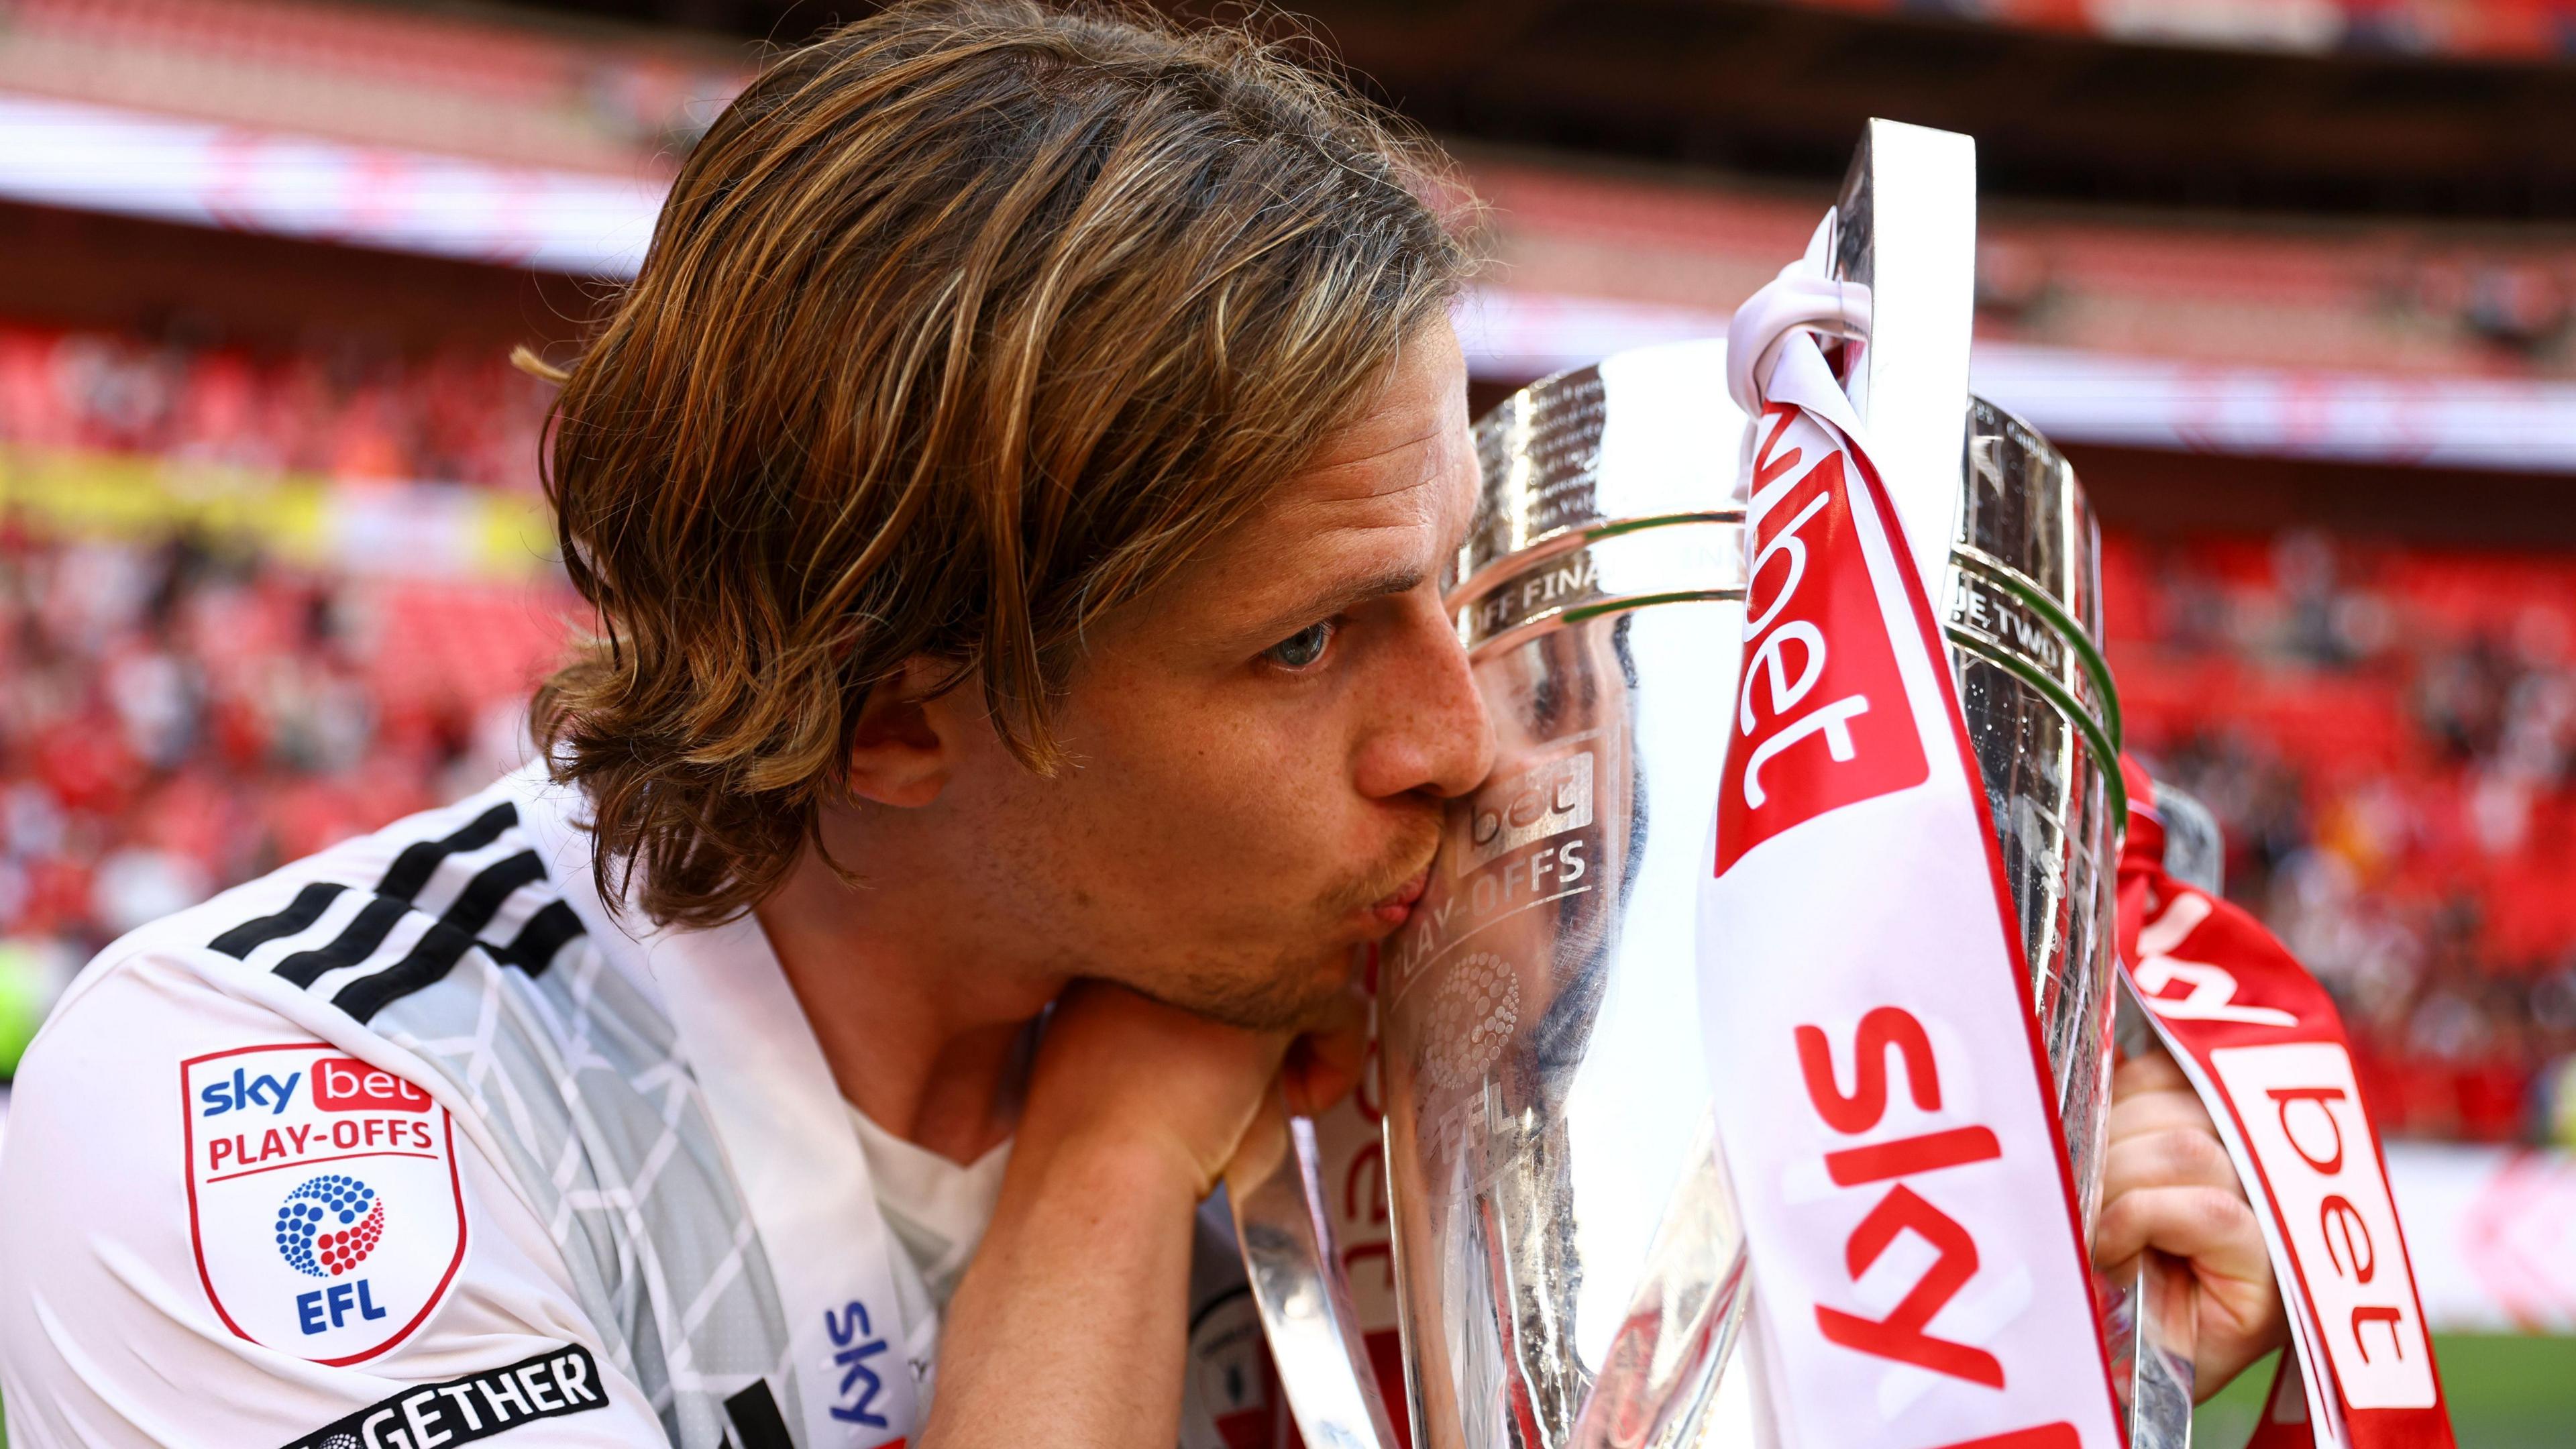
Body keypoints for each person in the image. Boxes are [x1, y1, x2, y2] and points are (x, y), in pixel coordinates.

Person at [0, 3, 2282, 1445]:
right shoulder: (289, 1132)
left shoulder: (1408, 995)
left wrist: (1993, 1344)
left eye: (1447, 581)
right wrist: (1099, 1184)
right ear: (895, 724)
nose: (1464, 741)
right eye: (1305, 647)